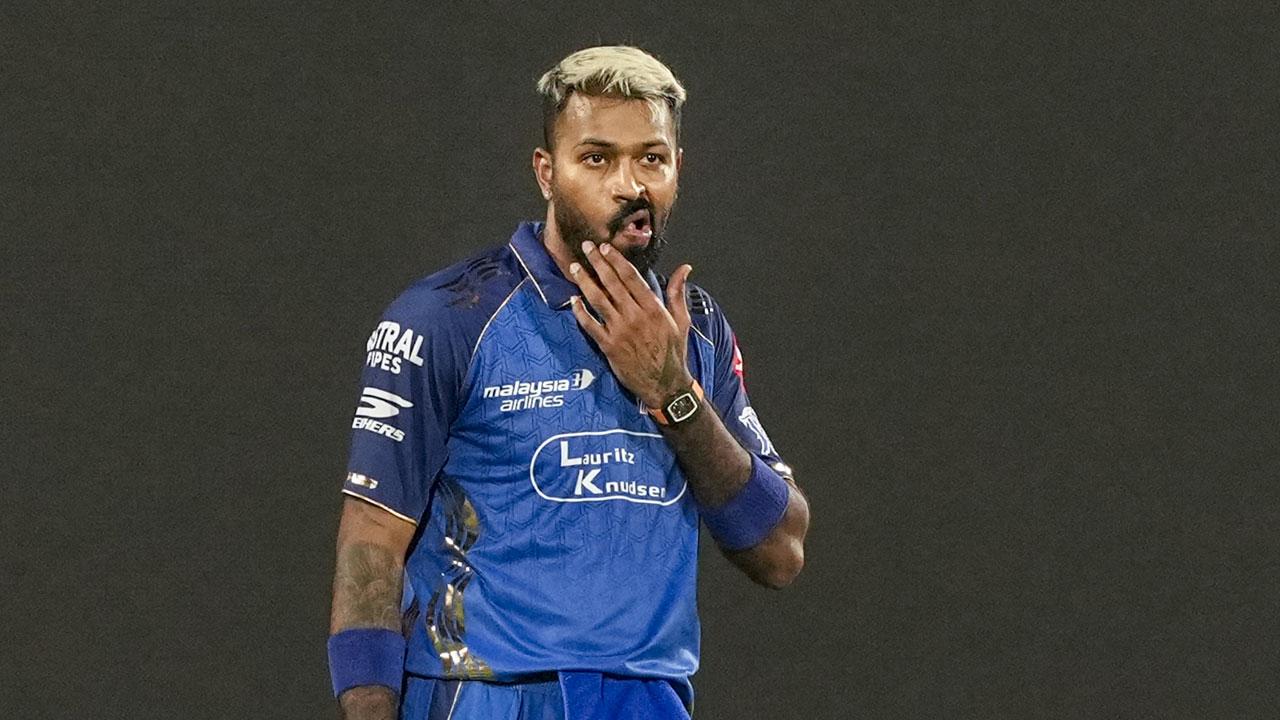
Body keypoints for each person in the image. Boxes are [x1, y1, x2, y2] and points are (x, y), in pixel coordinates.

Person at [327, 45, 811, 720]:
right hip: (485, 695)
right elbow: (371, 545)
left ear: (678, 170)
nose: (629, 184)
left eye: (651, 158)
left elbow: (780, 550)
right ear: (546, 173)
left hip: (649, 700)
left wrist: (673, 393)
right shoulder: (447, 318)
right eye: (597, 158)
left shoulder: (696, 331)